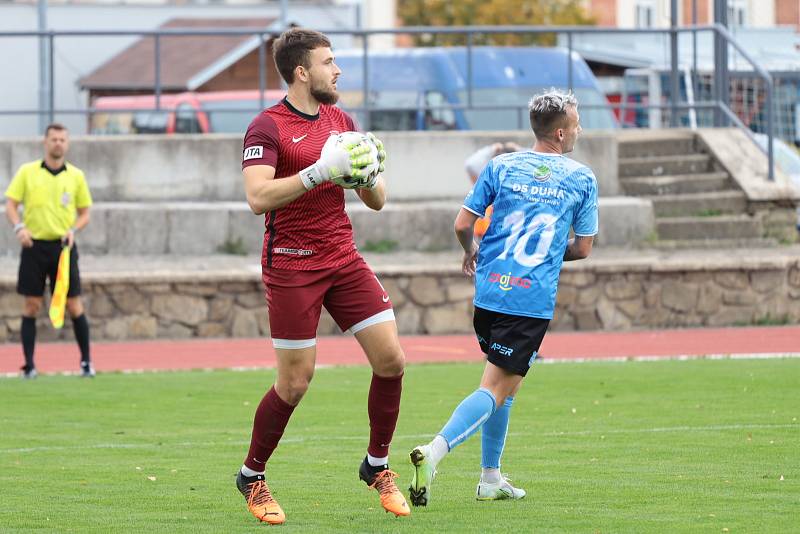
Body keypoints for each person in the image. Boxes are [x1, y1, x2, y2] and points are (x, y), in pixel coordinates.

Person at [236, 28, 409, 524]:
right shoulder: (265, 127)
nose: (337, 71)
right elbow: (257, 198)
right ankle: (252, 476)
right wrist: (319, 170)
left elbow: (376, 203)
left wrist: (367, 170)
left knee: (392, 361)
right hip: (291, 264)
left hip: (342, 258)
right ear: (301, 72)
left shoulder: (340, 119)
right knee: (295, 383)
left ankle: (376, 466)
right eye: (329, 62)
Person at [408, 89, 598, 506]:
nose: (581, 128)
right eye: (578, 121)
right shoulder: (581, 178)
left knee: (505, 387)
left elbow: (462, 224)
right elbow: (583, 248)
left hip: (489, 292)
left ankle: (490, 478)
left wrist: (471, 253)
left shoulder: (501, 166)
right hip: (528, 300)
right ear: (562, 133)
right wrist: (549, 254)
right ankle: (433, 453)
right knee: (496, 388)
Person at [4, 123, 95, 379]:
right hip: (34, 247)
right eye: (53, 139)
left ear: (67, 144)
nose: (58, 143)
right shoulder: (27, 172)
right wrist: (19, 228)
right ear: (45, 142)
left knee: (73, 304)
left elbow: (85, 213)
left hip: (63, 248)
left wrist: (74, 230)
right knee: (31, 304)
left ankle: (87, 363)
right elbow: (10, 204)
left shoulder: (76, 176)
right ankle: (29, 365)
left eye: (62, 140)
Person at [464, 142, 521, 239]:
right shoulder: (487, 180)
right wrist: (492, 149)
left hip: (507, 238)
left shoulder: (522, 183)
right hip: (484, 237)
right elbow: (470, 164)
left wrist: (519, 150)